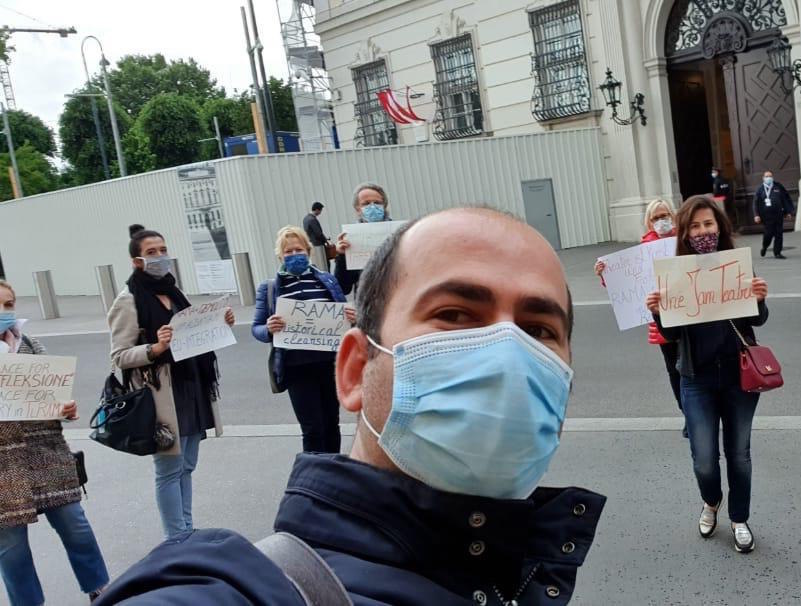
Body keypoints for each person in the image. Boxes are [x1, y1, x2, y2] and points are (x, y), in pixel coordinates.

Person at [96, 208, 605, 605]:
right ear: (357, 369)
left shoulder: (526, 573)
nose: (505, 354)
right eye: (454, 314)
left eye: (539, 330)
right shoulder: (238, 591)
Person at [645, 196, 770, 554]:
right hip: (696, 379)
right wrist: (657, 312)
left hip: (738, 377)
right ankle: (711, 501)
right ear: (685, 232)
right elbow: (669, 336)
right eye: (695, 226)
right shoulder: (675, 273)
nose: (703, 232)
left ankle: (739, 518)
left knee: (739, 454)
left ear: (720, 227)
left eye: (709, 225)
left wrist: (759, 298)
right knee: (703, 457)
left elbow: (756, 320)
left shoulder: (736, 266)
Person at [107, 225, 234, 539]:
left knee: (187, 465)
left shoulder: (174, 291)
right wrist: (155, 348)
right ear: (137, 261)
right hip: (161, 394)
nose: (160, 257)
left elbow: (195, 329)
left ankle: (186, 528)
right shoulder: (128, 300)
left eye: (163, 250)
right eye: (152, 253)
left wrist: (221, 322)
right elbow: (119, 356)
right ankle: (176, 536)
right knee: (168, 470)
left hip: (190, 385)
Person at [0, 281, 110, 605]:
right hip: (4, 467)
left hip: (46, 453)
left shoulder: (31, 345)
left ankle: (101, 590)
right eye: (0, 305)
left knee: (76, 526)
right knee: (12, 547)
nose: (7, 312)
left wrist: (65, 409)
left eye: (9, 304)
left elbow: (55, 398)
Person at [252, 226, 356, 454]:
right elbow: (256, 329)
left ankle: (332, 471)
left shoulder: (327, 281)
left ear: (308, 252)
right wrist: (269, 329)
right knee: (312, 429)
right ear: (280, 256)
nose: (293, 255)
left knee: (331, 425)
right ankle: (315, 477)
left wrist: (351, 318)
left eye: (298, 249)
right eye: (287, 252)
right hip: (295, 368)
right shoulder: (269, 288)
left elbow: (344, 318)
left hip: (329, 364)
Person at [594, 199, 684, 436]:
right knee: (674, 370)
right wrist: (607, 275)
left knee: (692, 368)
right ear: (649, 222)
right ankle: (687, 413)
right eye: (656, 217)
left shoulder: (683, 242)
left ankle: (699, 412)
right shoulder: (644, 248)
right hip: (661, 322)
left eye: (665, 215)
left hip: (688, 318)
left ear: (673, 216)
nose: (661, 221)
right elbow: (626, 283)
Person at [334, 183, 391, 295]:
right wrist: (342, 256)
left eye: (377, 203)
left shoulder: (400, 234)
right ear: (358, 209)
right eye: (366, 204)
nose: (373, 207)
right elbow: (343, 288)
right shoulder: (351, 239)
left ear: (384, 206)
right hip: (368, 305)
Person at [753, 170, 794, 259]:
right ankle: (765, 246)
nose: (769, 178)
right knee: (768, 234)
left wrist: (788, 212)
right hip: (767, 216)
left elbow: (785, 198)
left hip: (778, 214)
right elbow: (756, 203)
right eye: (767, 176)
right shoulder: (760, 190)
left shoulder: (778, 186)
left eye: (770, 176)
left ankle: (777, 252)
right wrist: (756, 215)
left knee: (779, 233)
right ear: (763, 178)